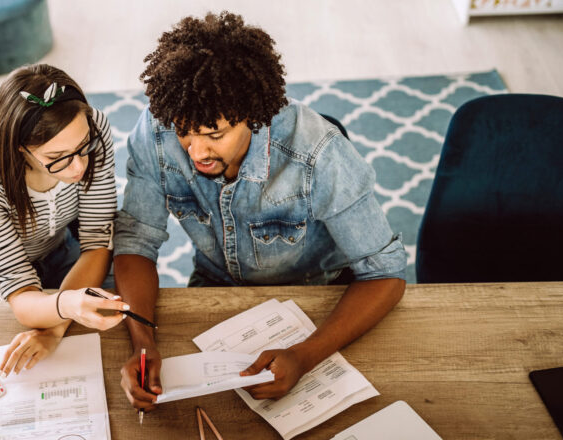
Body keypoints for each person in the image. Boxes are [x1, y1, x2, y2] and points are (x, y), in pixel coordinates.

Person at [113, 12, 408, 411]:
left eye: (214, 135)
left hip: (315, 296)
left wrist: (305, 356)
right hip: (213, 286)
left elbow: (386, 274)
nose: (196, 152)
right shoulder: (155, 131)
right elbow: (135, 241)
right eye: (185, 131)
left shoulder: (318, 152)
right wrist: (144, 343)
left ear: (253, 117)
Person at [0, 64, 129, 376]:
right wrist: (68, 306)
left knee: (120, 331)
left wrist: (54, 330)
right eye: (58, 158)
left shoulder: (94, 126)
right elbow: (19, 290)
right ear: (20, 148)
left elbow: (98, 240)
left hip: (60, 251)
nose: (78, 168)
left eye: (83, 147)